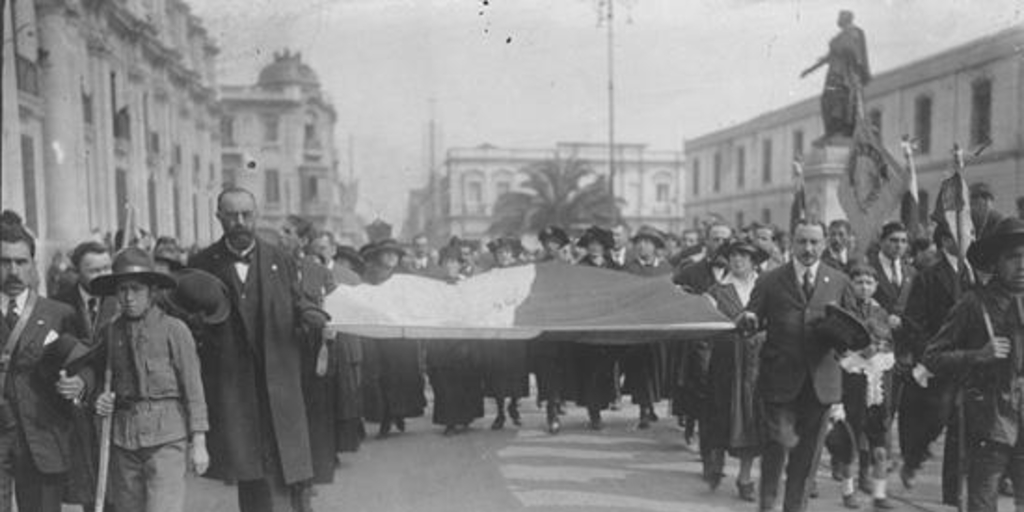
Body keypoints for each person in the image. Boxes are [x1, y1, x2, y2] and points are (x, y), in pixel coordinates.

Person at [189, 187, 328, 512]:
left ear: (257, 216)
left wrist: (312, 316)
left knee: (284, 467)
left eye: (246, 215)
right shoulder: (200, 264)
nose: (239, 222)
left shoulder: (281, 258)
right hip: (234, 387)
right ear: (219, 217)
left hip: (278, 382)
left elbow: (299, 303)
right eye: (231, 215)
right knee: (249, 471)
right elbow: (188, 319)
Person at [738, 220, 856, 512]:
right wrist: (748, 320)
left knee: (807, 456)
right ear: (792, 242)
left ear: (825, 243)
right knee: (777, 445)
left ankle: (795, 508)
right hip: (779, 380)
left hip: (820, 383)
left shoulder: (838, 281)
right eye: (802, 242)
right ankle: (767, 504)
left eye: (815, 242)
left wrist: (842, 338)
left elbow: (854, 328)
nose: (808, 249)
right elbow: (752, 318)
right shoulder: (770, 280)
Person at [91, 248, 208, 512]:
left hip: (167, 438)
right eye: (122, 290)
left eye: (136, 289)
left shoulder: (174, 330)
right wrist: (101, 399)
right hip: (123, 438)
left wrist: (199, 442)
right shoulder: (110, 332)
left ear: (152, 292)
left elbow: (194, 389)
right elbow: (99, 380)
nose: (128, 298)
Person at [920, 217, 1024, 511]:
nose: (1022, 266)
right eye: (1013, 258)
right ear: (995, 262)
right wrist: (977, 355)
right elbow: (932, 356)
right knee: (982, 501)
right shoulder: (973, 304)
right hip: (988, 422)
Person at [0, 214, 87, 512]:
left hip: (42, 437)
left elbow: (83, 364)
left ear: (33, 265)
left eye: (21, 262)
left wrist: (79, 384)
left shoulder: (58, 313)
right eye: (4, 261)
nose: (13, 271)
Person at [898, 223, 971, 499]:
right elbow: (913, 322)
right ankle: (913, 460)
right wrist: (931, 353)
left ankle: (952, 494)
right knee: (937, 418)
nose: (969, 238)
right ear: (945, 240)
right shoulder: (928, 277)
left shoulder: (977, 274)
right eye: (963, 234)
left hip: (970, 361)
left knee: (960, 425)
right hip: (939, 361)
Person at [50, 239, 117, 507]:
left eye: (107, 268)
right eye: (94, 271)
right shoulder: (57, 305)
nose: (104, 276)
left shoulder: (122, 301)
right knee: (89, 489)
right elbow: (51, 354)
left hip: (113, 403)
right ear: (77, 272)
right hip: (75, 414)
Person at [701, 240, 768, 501]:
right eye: (734, 256)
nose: (738, 260)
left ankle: (745, 477)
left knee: (752, 420)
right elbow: (707, 327)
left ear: (754, 262)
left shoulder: (764, 288)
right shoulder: (717, 291)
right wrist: (732, 324)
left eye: (744, 256)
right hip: (725, 364)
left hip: (756, 366)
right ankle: (715, 462)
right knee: (722, 416)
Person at [832, 264, 896, 510]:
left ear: (876, 286)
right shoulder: (842, 312)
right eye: (859, 282)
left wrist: (880, 346)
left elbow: (887, 339)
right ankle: (848, 491)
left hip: (877, 379)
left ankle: (879, 494)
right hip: (853, 379)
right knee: (850, 439)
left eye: (869, 282)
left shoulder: (881, 312)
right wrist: (859, 351)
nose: (864, 287)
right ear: (850, 285)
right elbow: (838, 346)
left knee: (880, 443)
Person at [358, 239, 426, 438]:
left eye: (394, 254)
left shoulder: (407, 277)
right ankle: (386, 417)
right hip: (380, 334)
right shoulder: (370, 277)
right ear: (379, 256)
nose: (390, 258)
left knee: (402, 376)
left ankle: (398, 413)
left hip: (402, 336)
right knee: (383, 376)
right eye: (386, 254)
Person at [671, 222, 732, 442]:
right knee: (700, 383)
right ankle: (694, 427)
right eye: (716, 239)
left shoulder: (738, 271)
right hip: (700, 340)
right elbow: (674, 295)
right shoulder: (691, 271)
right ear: (707, 242)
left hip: (728, 339)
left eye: (725, 239)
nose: (721, 244)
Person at [425, 246, 484, 436]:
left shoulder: (469, 284)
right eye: (447, 262)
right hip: (440, 341)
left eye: (454, 262)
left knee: (464, 379)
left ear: (460, 265)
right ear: (441, 265)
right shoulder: (433, 286)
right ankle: (449, 420)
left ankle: (465, 417)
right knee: (444, 382)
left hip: (463, 340)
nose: (450, 266)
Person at [622, 226, 673, 429]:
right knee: (640, 369)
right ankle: (644, 409)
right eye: (640, 242)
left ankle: (650, 405)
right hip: (638, 326)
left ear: (655, 247)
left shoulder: (666, 269)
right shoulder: (629, 268)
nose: (643, 246)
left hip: (661, 326)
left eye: (648, 242)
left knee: (657, 368)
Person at [481, 236, 530, 430]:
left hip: (516, 326)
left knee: (517, 370)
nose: (503, 256)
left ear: (513, 254)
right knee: (498, 372)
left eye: (507, 252)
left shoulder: (521, 273)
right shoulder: (490, 274)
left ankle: (514, 406)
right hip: (497, 328)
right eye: (500, 253)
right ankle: (500, 411)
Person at [573, 226, 620, 429]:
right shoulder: (580, 268)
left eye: (598, 245)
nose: (594, 248)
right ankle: (594, 412)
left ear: (604, 247)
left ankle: (604, 402)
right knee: (590, 369)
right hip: (588, 325)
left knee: (607, 369)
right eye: (590, 244)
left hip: (610, 326)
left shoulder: (615, 268)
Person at [801, 10, 871, 140]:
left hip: (845, 74)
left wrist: (855, 72)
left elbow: (856, 55)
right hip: (833, 73)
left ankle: (841, 129)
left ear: (847, 18)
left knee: (840, 100)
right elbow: (828, 57)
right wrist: (809, 70)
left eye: (840, 16)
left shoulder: (854, 33)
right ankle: (832, 130)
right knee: (826, 100)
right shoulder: (839, 37)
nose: (838, 19)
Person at [532, 226, 575, 433]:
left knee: (563, 367)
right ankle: (551, 409)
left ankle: (557, 401)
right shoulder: (536, 267)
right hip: (544, 326)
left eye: (555, 243)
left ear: (561, 246)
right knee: (545, 369)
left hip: (564, 325)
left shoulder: (569, 268)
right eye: (547, 243)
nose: (550, 246)